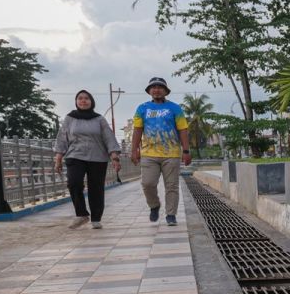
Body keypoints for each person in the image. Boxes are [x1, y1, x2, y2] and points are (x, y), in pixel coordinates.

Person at [53, 90, 121, 229]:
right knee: (74, 182)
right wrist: (58, 158)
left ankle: (96, 218)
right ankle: (81, 214)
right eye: (80, 98)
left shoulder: (99, 119)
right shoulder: (70, 118)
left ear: (91, 101)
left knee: (96, 188)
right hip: (75, 155)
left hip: (97, 157)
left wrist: (114, 157)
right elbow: (62, 137)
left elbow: (108, 137)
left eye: (86, 98)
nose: (83, 101)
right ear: (76, 101)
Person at [130, 76, 192, 225]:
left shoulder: (175, 108)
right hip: (149, 154)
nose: (156, 90)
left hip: (171, 154)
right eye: (153, 87)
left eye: (160, 87)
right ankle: (154, 205)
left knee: (172, 186)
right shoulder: (142, 108)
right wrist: (134, 150)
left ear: (165, 91)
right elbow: (137, 130)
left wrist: (186, 151)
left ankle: (171, 214)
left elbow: (183, 129)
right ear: (149, 91)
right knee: (147, 184)